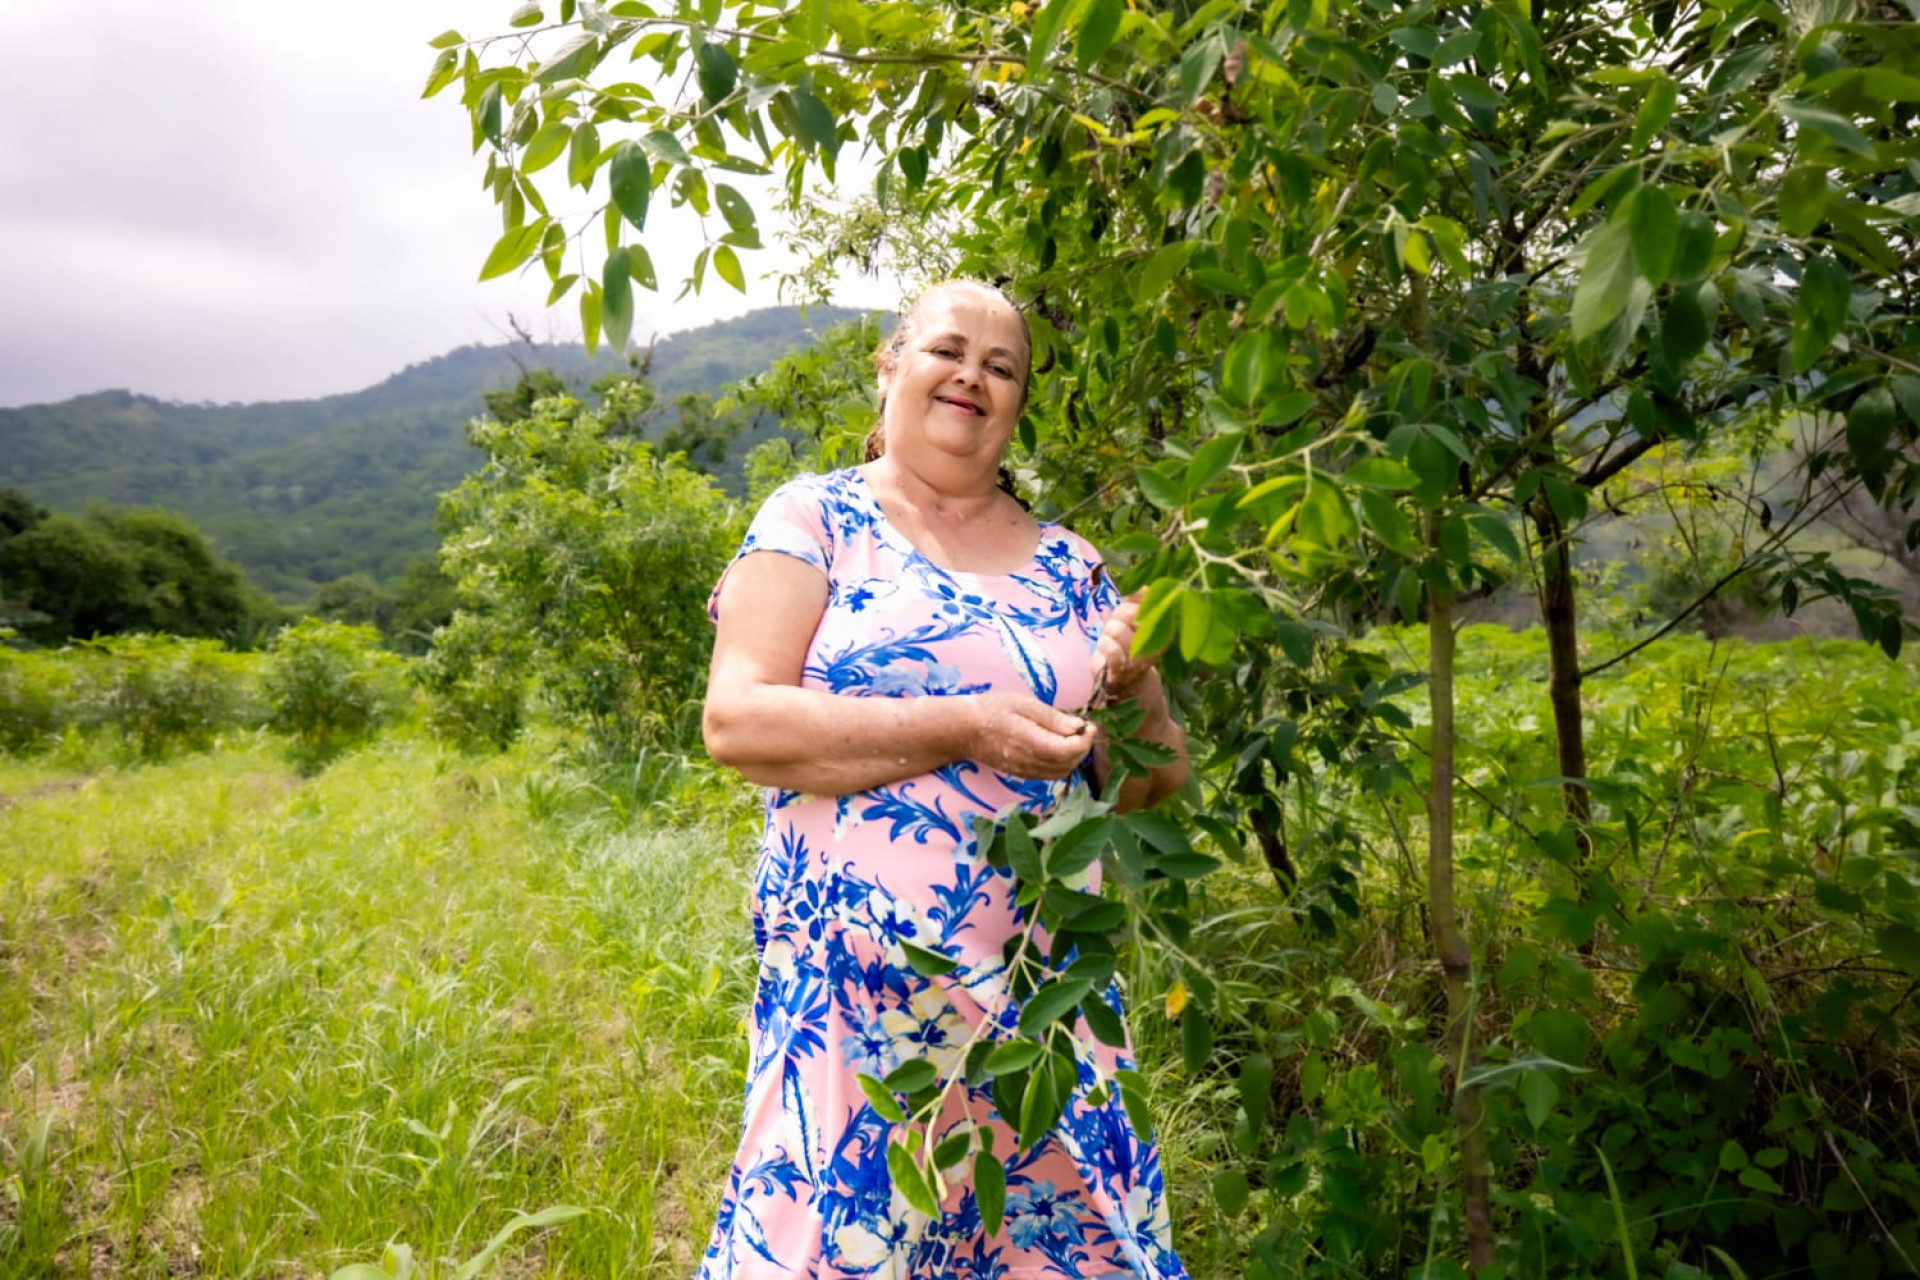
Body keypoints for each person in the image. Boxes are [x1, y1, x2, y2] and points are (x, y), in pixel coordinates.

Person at [698, 280, 1190, 1279]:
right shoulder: (814, 519)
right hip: (851, 1006)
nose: (973, 374)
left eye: (1001, 366)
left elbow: (1151, 774)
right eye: (947, 349)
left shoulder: (1072, 568)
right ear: (889, 368)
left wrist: (1132, 686)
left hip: (1041, 1011)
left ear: (1015, 404)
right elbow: (739, 720)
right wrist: (965, 726)